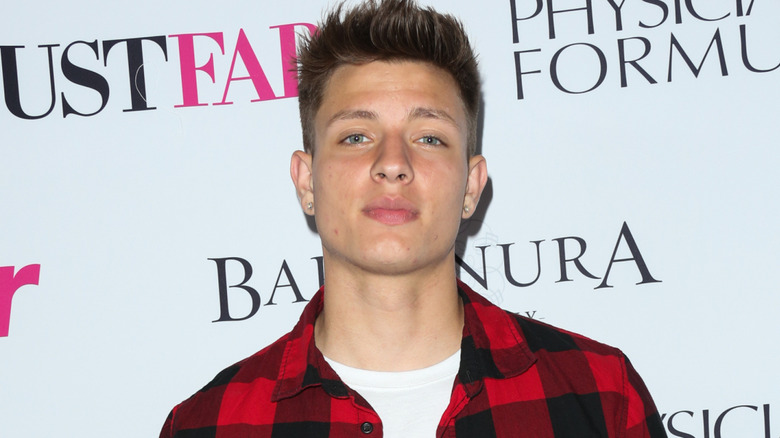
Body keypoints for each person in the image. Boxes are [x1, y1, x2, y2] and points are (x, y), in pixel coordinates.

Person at [159, 1, 667, 437]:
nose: (393, 163)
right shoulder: (208, 424)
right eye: (356, 136)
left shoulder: (600, 396)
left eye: (429, 137)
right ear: (307, 182)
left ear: (471, 186)